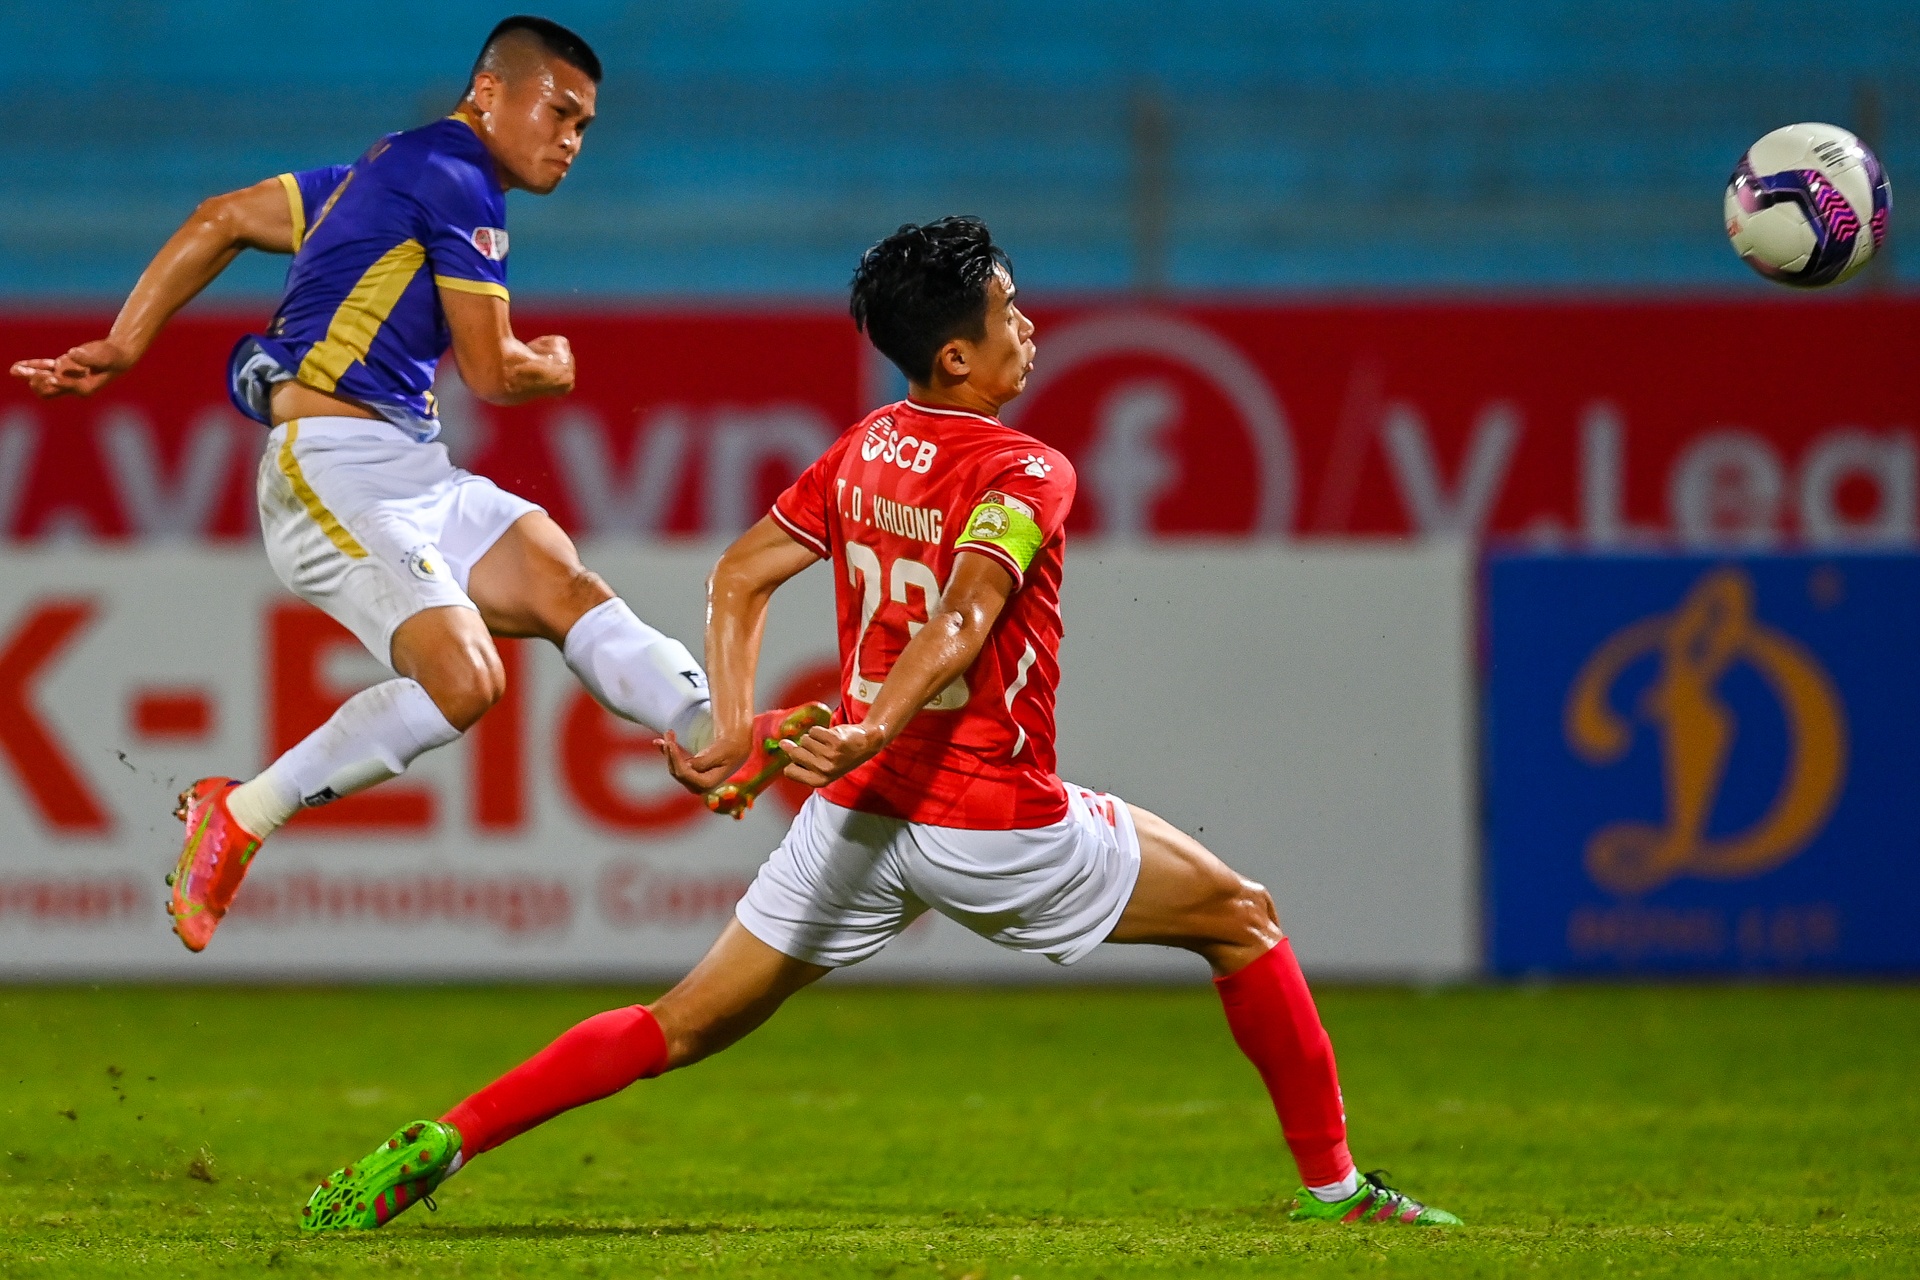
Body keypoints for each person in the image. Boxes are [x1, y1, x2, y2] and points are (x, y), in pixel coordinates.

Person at [301, 217, 1460, 1231]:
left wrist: (738, 725)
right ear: (957, 354)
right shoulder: (1027, 470)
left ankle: (450, 1136)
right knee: (1244, 918)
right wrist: (869, 723)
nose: (1029, 327)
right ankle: (1337, 1189)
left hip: (858, 812)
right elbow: (962, 615)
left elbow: (740, 572)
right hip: (986, 816)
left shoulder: (865, 445)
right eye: (1009, 311)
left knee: (679, 1022)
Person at [9, 17, 717, 953]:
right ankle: (240, 814)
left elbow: (220, 217)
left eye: (585, 125)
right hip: (333, 469)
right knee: (466, 679)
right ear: (488, 92)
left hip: (411, 465)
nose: (571, 141)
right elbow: (495, 373)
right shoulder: (456, 176)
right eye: (559, 113)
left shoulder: (377, 176)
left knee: (562, 582)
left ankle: (713, 731)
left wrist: (124, 343)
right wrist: (552, 365)